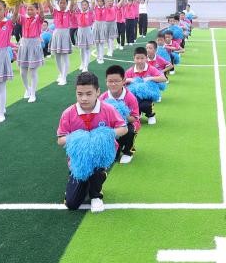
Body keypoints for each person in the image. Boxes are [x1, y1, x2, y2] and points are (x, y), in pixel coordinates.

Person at [56, 71, 127, 212]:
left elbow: (123, 128)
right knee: (72, 204)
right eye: (80, 94)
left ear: (97, 92)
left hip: (100, 157)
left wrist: (104, 135)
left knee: (96, 171)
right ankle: (83, 181)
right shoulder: (68, 113)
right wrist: (80, 139)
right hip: (79, 160)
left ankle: (96, 194)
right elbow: (60, 140)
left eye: (89, 94)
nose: (84, 98)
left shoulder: (108, 109)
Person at [102, 64, 141, 164]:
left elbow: (134, 118)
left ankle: (128, 151)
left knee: (130, 130)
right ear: (106, 81)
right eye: (110, 81)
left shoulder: (130, 97)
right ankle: (115, 147)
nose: (113, 84)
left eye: (117, 81)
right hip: (111, 126)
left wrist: (122, 114)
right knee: (112, 157)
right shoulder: (103, 98)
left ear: (124, 81)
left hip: (127, 123)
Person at [128, 47, 167, 124]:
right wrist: (129, 80)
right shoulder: (130, 71)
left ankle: (150, 115)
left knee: (145, 105)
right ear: (134, 58)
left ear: (146, 58)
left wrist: (151, 78)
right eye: (137, 58)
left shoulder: (151, 69)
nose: (140, 61)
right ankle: (137, 113)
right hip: (134, 97)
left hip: (147, 96)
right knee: (131, 103)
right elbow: (122, 82)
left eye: (142, 58)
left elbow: (163, 78)